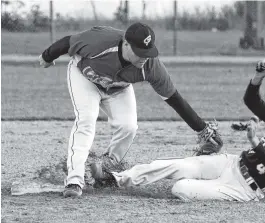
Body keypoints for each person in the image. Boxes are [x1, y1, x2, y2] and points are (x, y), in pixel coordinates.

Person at [93, 59, 265, 202]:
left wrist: (255, 141)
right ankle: (114, 179)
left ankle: (199, 175)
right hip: (233, 163)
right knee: (177, 165)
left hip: (244, 188)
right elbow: (253, 102)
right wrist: (258, 77)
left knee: (181, 188)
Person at [38, 22, 223, 198]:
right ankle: (74, 180)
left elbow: (174, 99)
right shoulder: (100, 41)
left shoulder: (151, 65)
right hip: (85, 78)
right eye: (140, 52)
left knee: (129, 127)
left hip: (118, 88)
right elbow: (68, 42)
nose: (145, 57)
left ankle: (106, 167)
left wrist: (203, 129)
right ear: (126, 44)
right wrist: (47, 56)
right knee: (86, 119)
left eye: (148, 52)